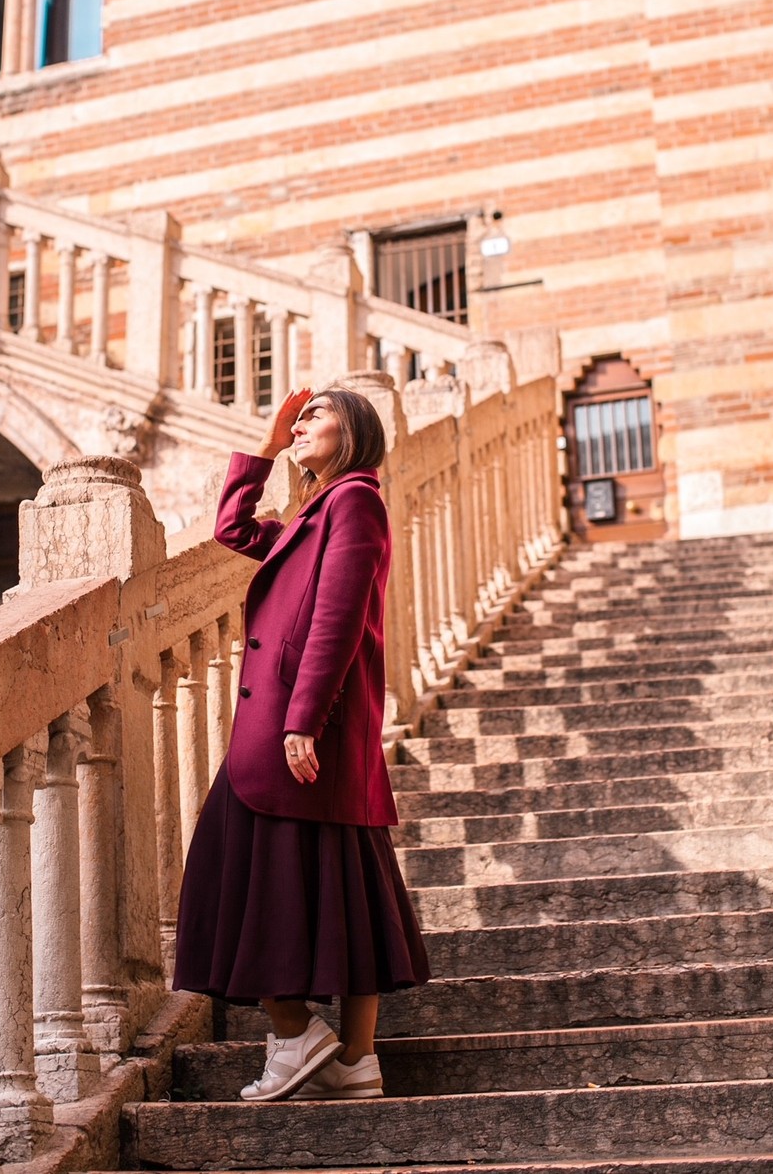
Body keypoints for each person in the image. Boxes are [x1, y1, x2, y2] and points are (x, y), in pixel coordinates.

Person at [173, 384, 430, 1103]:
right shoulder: (314, 510)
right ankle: (355, 1062)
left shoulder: (356, 500)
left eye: (319, 413)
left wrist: (302, 717)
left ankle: (295, 1033)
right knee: (342, 878)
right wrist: (265, 442)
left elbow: (340, 615)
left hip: (299, 719)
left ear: (356, 433)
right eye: (303, 414)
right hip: (306, 722)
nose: (303, 421)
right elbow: (232, 529)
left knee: (232, 868)